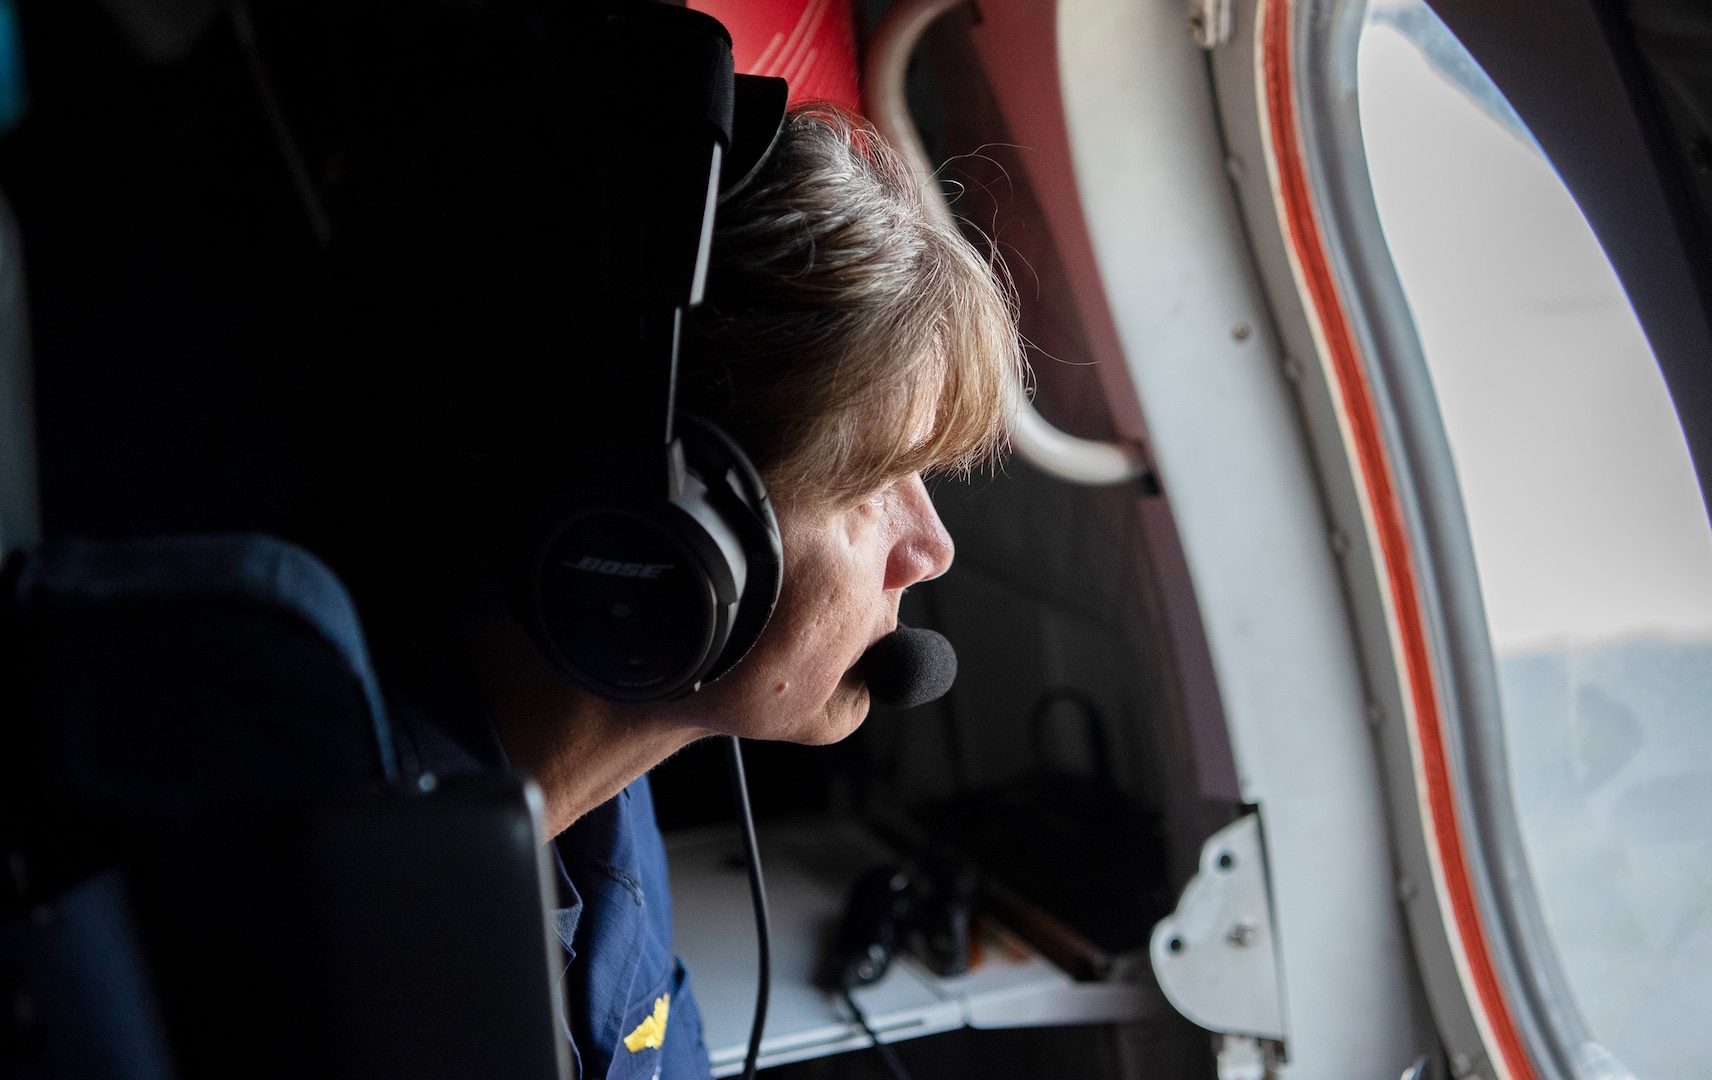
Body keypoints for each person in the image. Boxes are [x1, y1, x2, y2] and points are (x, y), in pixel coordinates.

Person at [289, 22, 1022, 1079]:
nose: (931, 548)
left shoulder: (602, 813)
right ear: (661, 536)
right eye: (867, 488)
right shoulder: (365, 904)